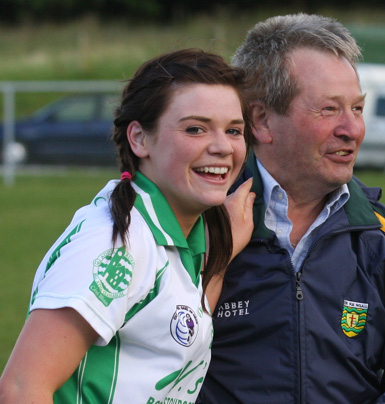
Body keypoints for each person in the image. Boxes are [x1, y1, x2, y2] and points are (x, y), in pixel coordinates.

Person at [196, 13, 385, 404]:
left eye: (358, 109)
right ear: (261, 121)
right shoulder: (198, 225)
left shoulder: (384, 239)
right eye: (329, 110)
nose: (353, 129)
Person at [0, 48, 255, 404]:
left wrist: (221, 257)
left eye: (234, 130)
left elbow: (178, 329)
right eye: (195, 128)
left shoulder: (177, 234)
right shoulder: (117, 241)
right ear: (139, 139)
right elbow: (21, 389)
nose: (222, 146)